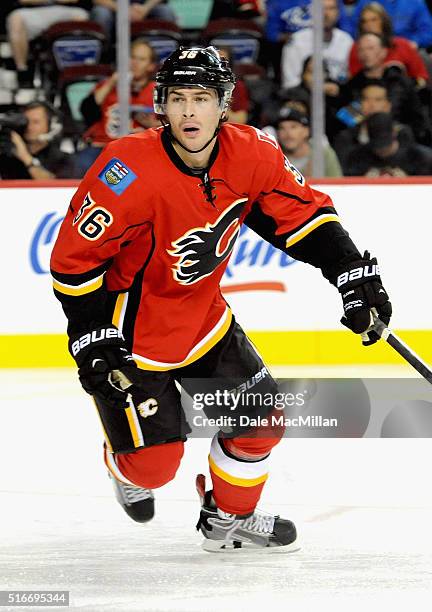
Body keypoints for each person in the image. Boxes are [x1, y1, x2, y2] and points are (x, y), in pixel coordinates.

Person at [50, 47, 392, 552]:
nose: (190, 112)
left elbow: (302, 217)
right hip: (132, 338)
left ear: (224, 104)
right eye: (178, 99)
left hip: (203, 322)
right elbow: (74, 262)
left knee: (262, 420)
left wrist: (351, 275)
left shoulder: (252, 152)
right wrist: (90, 336)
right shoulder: (125, 168)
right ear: (161, 106)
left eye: (202, 99)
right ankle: (124, 461)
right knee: (153, 469)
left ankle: (227, 520)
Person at [76, 38, 160, 176]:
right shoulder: (107, 86)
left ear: (151, 66)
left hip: (138, 149)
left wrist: (152, 124)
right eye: (132, 57)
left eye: (141, 59)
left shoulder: (157, 91)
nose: (135, 63)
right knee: (81, 164)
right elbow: (87, 112)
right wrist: (111, 83)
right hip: (102, 147)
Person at [6, 0, 90, 89]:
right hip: (34, 11)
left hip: (67, 9)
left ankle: (77, 74)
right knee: (15, 19)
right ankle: (23, 73)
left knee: (81, 17)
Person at [334, 81, 415, 170]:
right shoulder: (346, 137)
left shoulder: (402, 133)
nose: (371, 105)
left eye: (378, 100)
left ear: (388, 106)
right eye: (366, 99)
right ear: (360, 105)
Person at [348, 3, 430, 86]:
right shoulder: (356, 49)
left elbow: (421, 78)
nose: (369, 25)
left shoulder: (403, 45)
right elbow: (354, 82)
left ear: (384, 21)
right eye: (364, 21)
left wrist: (409, 88)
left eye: (374, 20)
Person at [281, 0, 353, 89]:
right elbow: (290, 83)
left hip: (337, 98)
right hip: (304, 97)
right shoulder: (297, 41)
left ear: (338, 13)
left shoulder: (346, 40)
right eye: (321, 8)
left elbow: (349, 78)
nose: (325, 13)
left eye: (331, 8)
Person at [0, 101, 79, 179]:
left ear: (51, 125)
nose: (29, 126)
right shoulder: (8, 157)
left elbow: (56, 188)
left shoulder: (63, 160)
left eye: (36, 122)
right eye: (26, 121)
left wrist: (26, 157)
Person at [345, 111, 432, 176]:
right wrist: (362, 182)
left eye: (385, 145)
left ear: (394, 132)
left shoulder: (419, 157)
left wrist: (409, 182)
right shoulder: (358, 157)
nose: (382, 150)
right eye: (377, 146)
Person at [274, 107, 343, 176]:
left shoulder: (323, 153)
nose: (287, 133)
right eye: (281, 128)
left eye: (293, 127)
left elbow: (338, 185)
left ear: (306, 131)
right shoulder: (274, 156)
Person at [347, 0, 432, 49]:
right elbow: (352, 30)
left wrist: (414, 42)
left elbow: (428, 32)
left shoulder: (415, 3)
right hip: (372, 49)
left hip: (406, 48)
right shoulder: (365, 2)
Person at [91, 0, 177, 39]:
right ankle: (104, 55)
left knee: (165, 12)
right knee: (101, 13)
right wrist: (123, 9)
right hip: (114, 8)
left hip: (143, 8)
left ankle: (166, 54)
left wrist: (145, 8)